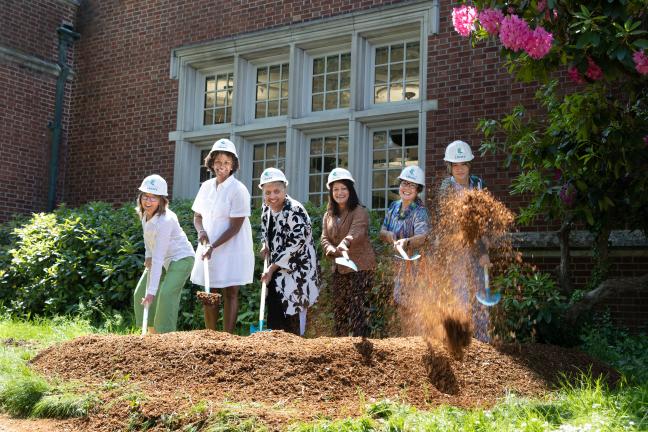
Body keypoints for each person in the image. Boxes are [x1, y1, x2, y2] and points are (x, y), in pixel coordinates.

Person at [190, 138, 254, 333]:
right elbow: (197, 216)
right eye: (218, 161)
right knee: (210, 289)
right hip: (209, 244)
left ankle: (227, 337)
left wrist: (213, 246)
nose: (222, 166)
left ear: (233, 164)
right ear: (211, 162)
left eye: (226, 162)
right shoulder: (206, 187)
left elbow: (235, 227)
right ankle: (211, 335)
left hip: (233, 246)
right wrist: (201, 232)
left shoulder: (239, 190)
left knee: (231, 291)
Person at [439, 140, 490, 342]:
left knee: (480, 289)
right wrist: (481, 250)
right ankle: (461, 338)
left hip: (478, 244)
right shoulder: (446, 188)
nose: (459, 169)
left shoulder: (478, 184)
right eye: (455, 165)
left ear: (470, 164)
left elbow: (484, 215)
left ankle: (483, 339)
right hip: (455, 247)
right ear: (450, 167)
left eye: (463, 164)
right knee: (459, 290)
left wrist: (484, 245)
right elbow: (459, 222)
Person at [258, 167, 319, 336]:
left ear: (285, 189)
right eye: (267, 192)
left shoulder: (295, 210)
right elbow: (266, 231)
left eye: (277, 191)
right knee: (275, 313)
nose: (272, 196)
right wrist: (265, 244)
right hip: (277, 272)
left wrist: (271, 268)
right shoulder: (266, 209)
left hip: (298, 273)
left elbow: (297, 244)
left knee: (293, 318)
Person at [133, 174, 195, 334]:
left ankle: (165, 337)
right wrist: (148, 255)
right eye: (145, 196)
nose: (148, 201)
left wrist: (152, 293)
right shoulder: (145, 215)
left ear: (161, 200)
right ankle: (151, 334)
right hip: (160, 257)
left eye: (153, 198)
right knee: (140, 292)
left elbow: (159, 258)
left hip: (181, 258)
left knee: (166, 294)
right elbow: (148, 240)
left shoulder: (166, 220)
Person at [321, 167, 376, 337]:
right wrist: (330, 249)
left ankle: (361, 345)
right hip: (339, 268)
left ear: (350, 190)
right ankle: (341, 346)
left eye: (343, 188)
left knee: (357, 309)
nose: (339, 192)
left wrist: (345, 243)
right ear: (331, 192)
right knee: (340, 309)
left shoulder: (359, 211)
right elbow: (324, 238)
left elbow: (357, 232)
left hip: (359, 267)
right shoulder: (328, 215)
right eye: (335, 189)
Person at [379, 165, 429, 304]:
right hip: (397, 267)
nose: (406, 188)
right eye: (404, 183)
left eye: (412, 185)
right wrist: (388, 234)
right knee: (399, 305)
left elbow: (422, 237)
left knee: (412, 306)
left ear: (418, 189)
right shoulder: (394, 206)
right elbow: (382, 232)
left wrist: (406, 242)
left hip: (415, 268)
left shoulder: (420, 211)